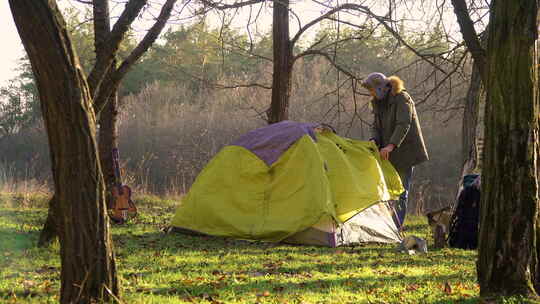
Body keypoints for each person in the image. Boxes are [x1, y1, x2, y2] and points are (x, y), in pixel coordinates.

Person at [361, 72, 429, 229]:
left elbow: (403, 124)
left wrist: (390, 145)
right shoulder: (377, 103)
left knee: (401, 193)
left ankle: (396, 228)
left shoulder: (402, 98)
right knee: (385, 192)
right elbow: (375, 126)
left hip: (405, 153)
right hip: (386, 154)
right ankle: (387, 227)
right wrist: (374, 140)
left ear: (380, 88)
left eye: (372, 90)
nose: (371, 93)